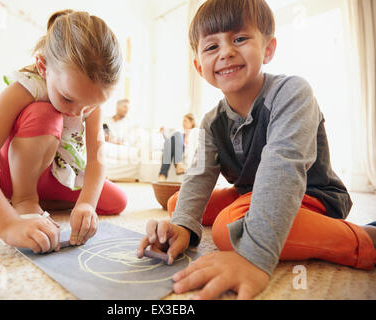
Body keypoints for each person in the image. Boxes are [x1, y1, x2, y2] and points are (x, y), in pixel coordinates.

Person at [137, 0, 376, 300]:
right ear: (199, 66)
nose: (226, 52)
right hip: (249, 192)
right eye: (212, 47)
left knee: (229, 228)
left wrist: (253, 256)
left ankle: (366, 238)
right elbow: (198, 176)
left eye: (239, 39)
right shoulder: (212, 121)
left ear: (268, 48)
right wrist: (183, 225)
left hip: (311, 195)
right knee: (178, 207)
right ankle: (227, 217)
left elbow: (283, 168)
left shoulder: (292, 92)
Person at [0, 9, 127, 254]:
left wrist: (86, 204)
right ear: (43, 66)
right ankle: (24, 199)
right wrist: (8, 225)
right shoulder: (24, 88)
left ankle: (43, 200)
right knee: (46, 114)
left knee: (117, 201)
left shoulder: (88, 100)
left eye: (89, 105)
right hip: (14, 176)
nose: (77, 113)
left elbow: (97, 161)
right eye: (68, 98)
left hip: (59, 171)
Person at [158, 113, 197, 181]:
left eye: (185, 121)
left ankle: (162, 175)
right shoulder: (182, 135)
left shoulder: (196, 133)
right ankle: (178, 166)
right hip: (177, 154)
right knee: (169, 142)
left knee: (177, 134)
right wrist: (163, 133)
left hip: (181, 153)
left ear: (192, 122)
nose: (183, 123)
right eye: (183, 121)